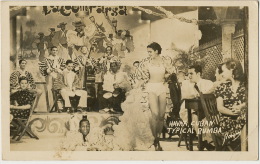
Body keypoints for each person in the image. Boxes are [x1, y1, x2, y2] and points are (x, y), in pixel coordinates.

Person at [135, 42, 175, 151]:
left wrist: (166, 77)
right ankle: (155, 139)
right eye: (148, 52)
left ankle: (157, 139)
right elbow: (141, 76)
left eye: (150, 52)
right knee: (155, 114)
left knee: (162, 115)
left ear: (156, 51)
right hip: (151, 88)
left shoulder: (165, 61)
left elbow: (170, 73)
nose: (148, 54)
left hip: (162, 88)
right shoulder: (146, 63)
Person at [214, 59, 247, 149]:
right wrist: (235, 113)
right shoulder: (221, 87)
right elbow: (220, 108)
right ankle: (244, 151)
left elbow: (251, 102)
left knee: (246, 117)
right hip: (227, 121)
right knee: (245, 118)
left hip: (243, 118)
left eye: (224, 71)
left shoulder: (245, 86)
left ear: (232, 70)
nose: (222, 74)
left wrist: (242, 106)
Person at [179, 64, 213, 144]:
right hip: (188, 110)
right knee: (195, 117)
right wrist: (195, 95)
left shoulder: (207, 83)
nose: (189, 76)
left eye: (191, 73)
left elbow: (210, 95)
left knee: (206, 119)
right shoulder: (185, 83)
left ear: (198, 74)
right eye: (188, 74)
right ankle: (203, 140)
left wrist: (202, 94)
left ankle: (210, 140)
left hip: (204, 110)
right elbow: (185, 96)